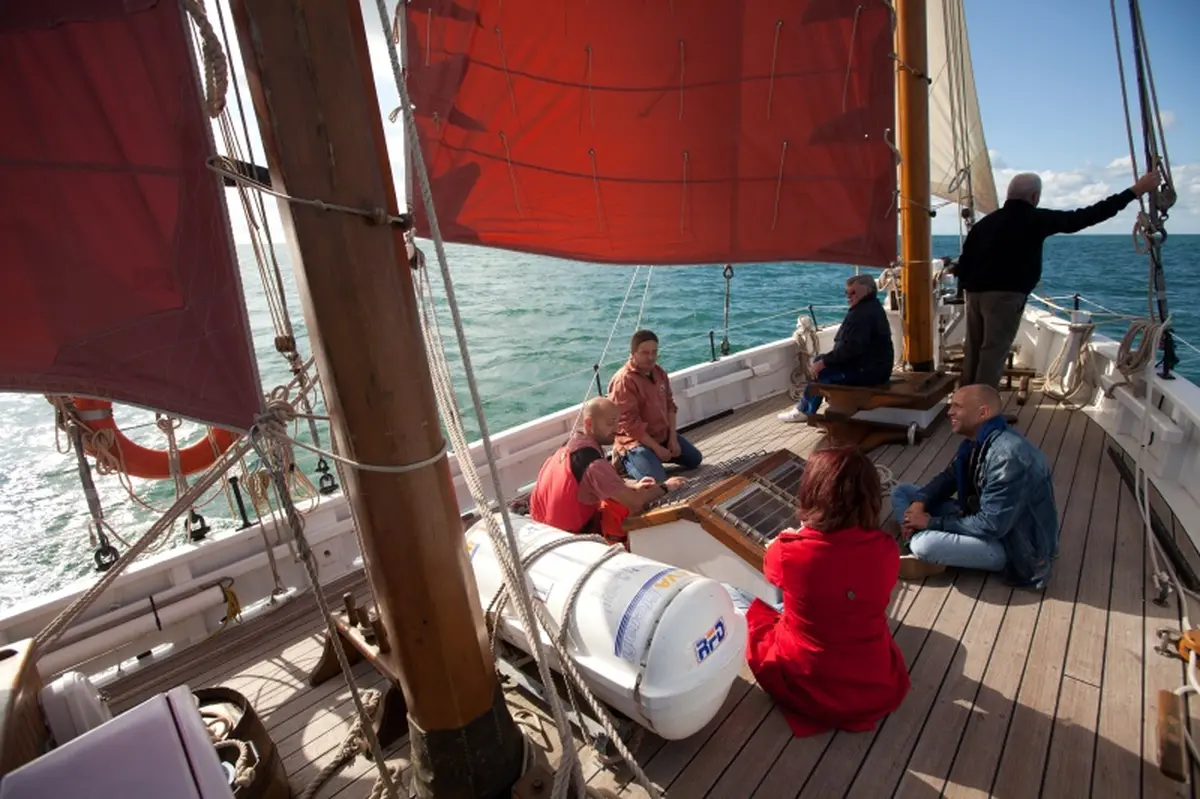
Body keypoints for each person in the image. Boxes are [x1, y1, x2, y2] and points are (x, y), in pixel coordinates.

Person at [741, 446, 910, 738]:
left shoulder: (787, 551)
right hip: (872, 679)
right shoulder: (886, 548)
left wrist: (794, 536)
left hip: (809, 678)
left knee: (737, 593)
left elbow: (772, 573)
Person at [955, 169, 1161, 388]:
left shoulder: (983, 225)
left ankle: (965, 403)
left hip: (975, 295)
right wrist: (1133, 192)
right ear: (1034, 197)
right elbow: (1085, 216)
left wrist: (967, 288)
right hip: (1005, 298)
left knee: (974, 351)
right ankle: (981, 413)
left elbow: (965, 262)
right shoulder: (1035, 219)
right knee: (993, 353)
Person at [890, 384, 1059, 587]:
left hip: (1013, 545)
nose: (949, 411)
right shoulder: (978, 441)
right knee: (903, 492)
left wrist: (930, 523)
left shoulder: (1008, 458)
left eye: (957, 406)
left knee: (925, 544)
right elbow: (948, 477)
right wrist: (920, 502)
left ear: (983, 413)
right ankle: (926, 547)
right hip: (975, 513)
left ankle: (922, 547)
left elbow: (991, 525)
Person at [529, 398, 686, 540]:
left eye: (618, 422)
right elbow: (635, 502)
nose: (617, 428)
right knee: (624, 507)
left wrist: (632, 485)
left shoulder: (570, 446)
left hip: (544, 530)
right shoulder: (593, 463)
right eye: (610, 423)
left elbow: (593, 481)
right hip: (571, 539)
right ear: (589, 424)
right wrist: (666, 487)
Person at [778, 275, 893, 423]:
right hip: (869, 365)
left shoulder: (863, 314)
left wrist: (825, 362)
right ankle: (805, 407)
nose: (848, 297)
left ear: (867, 291)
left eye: (853, 293)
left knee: (824, 373)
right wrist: (825, 360)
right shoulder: (867, 308)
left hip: (870, 371)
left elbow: (853, 348)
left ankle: (805, 411)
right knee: (820, 361)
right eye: (847, 293)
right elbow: (853, 349)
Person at [608, 329, 703, 482]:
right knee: (656, 479)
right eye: (645, 353)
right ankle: (624, 462)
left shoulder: (659, 373)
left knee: (695, 459)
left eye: (654, 352)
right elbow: (631, 425)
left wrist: (672, 438)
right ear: (633, 353)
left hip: (661, 434)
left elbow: (670, 406)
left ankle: (652, 459)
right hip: (635, 441)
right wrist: (657, 448)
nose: (651, 357)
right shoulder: (624, 381)